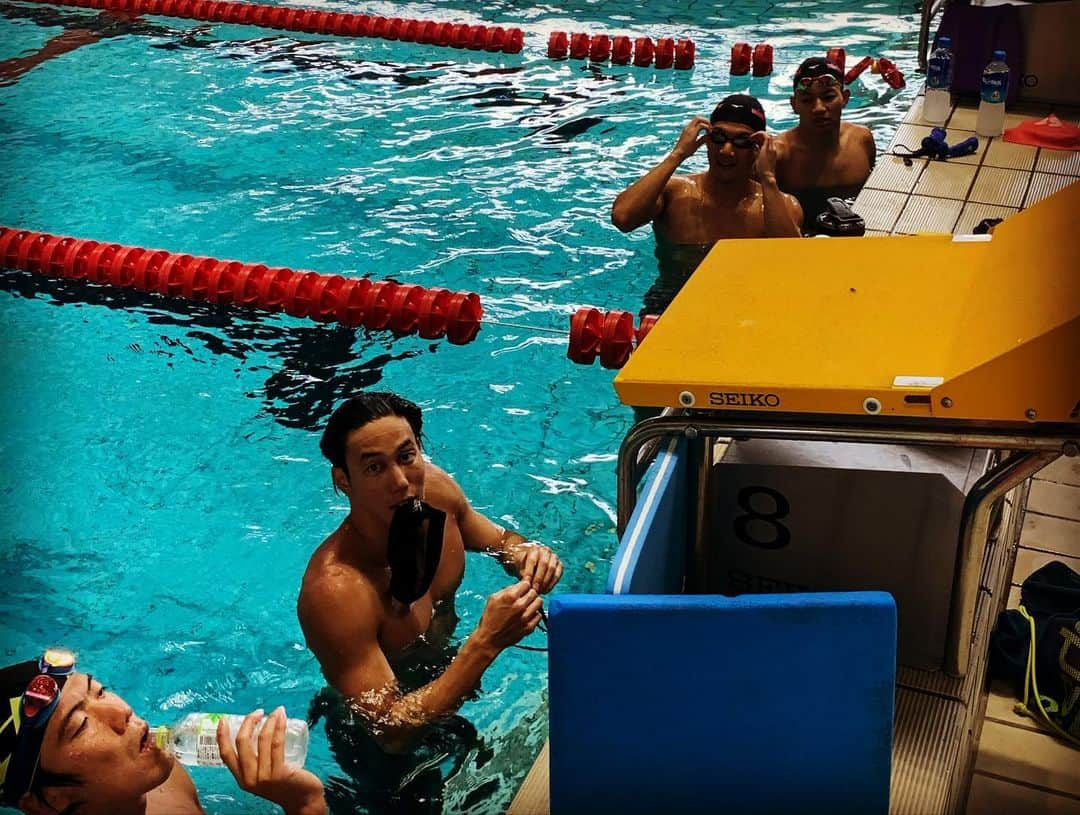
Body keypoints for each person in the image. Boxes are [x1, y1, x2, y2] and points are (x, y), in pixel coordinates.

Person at [297, 392, 563, 811]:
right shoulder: (337, 591)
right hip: (374, 741)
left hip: (448, 677)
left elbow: (500, 542)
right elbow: (390, 731)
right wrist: (487, 642)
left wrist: (529, 556)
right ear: (343, 480)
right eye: (374, 467)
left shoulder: (433, 490)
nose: (401, 481)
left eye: (407, 456)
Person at [0, 648, 327, 815]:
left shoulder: (153, 767)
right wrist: (305, 803)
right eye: (81, 725)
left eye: (99, 692)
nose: (121, 712)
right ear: (48, 801)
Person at [611, 93, 803, 316]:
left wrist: (768, 178)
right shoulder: (675, 192)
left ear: (757, 148)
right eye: (718, 137)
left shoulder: (780, 205)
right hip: (671, 303)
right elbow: (623, 219)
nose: (726, 151)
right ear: (706, 140)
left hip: (747, 308)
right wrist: (677, 154)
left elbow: (793, 266)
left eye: (741, 141)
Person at [774, 57, 877, 234]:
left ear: (844, 98)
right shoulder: (780, 154)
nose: (819, 108)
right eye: (807, 100)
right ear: (794, 104)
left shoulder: (862, 140)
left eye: (828, 97)